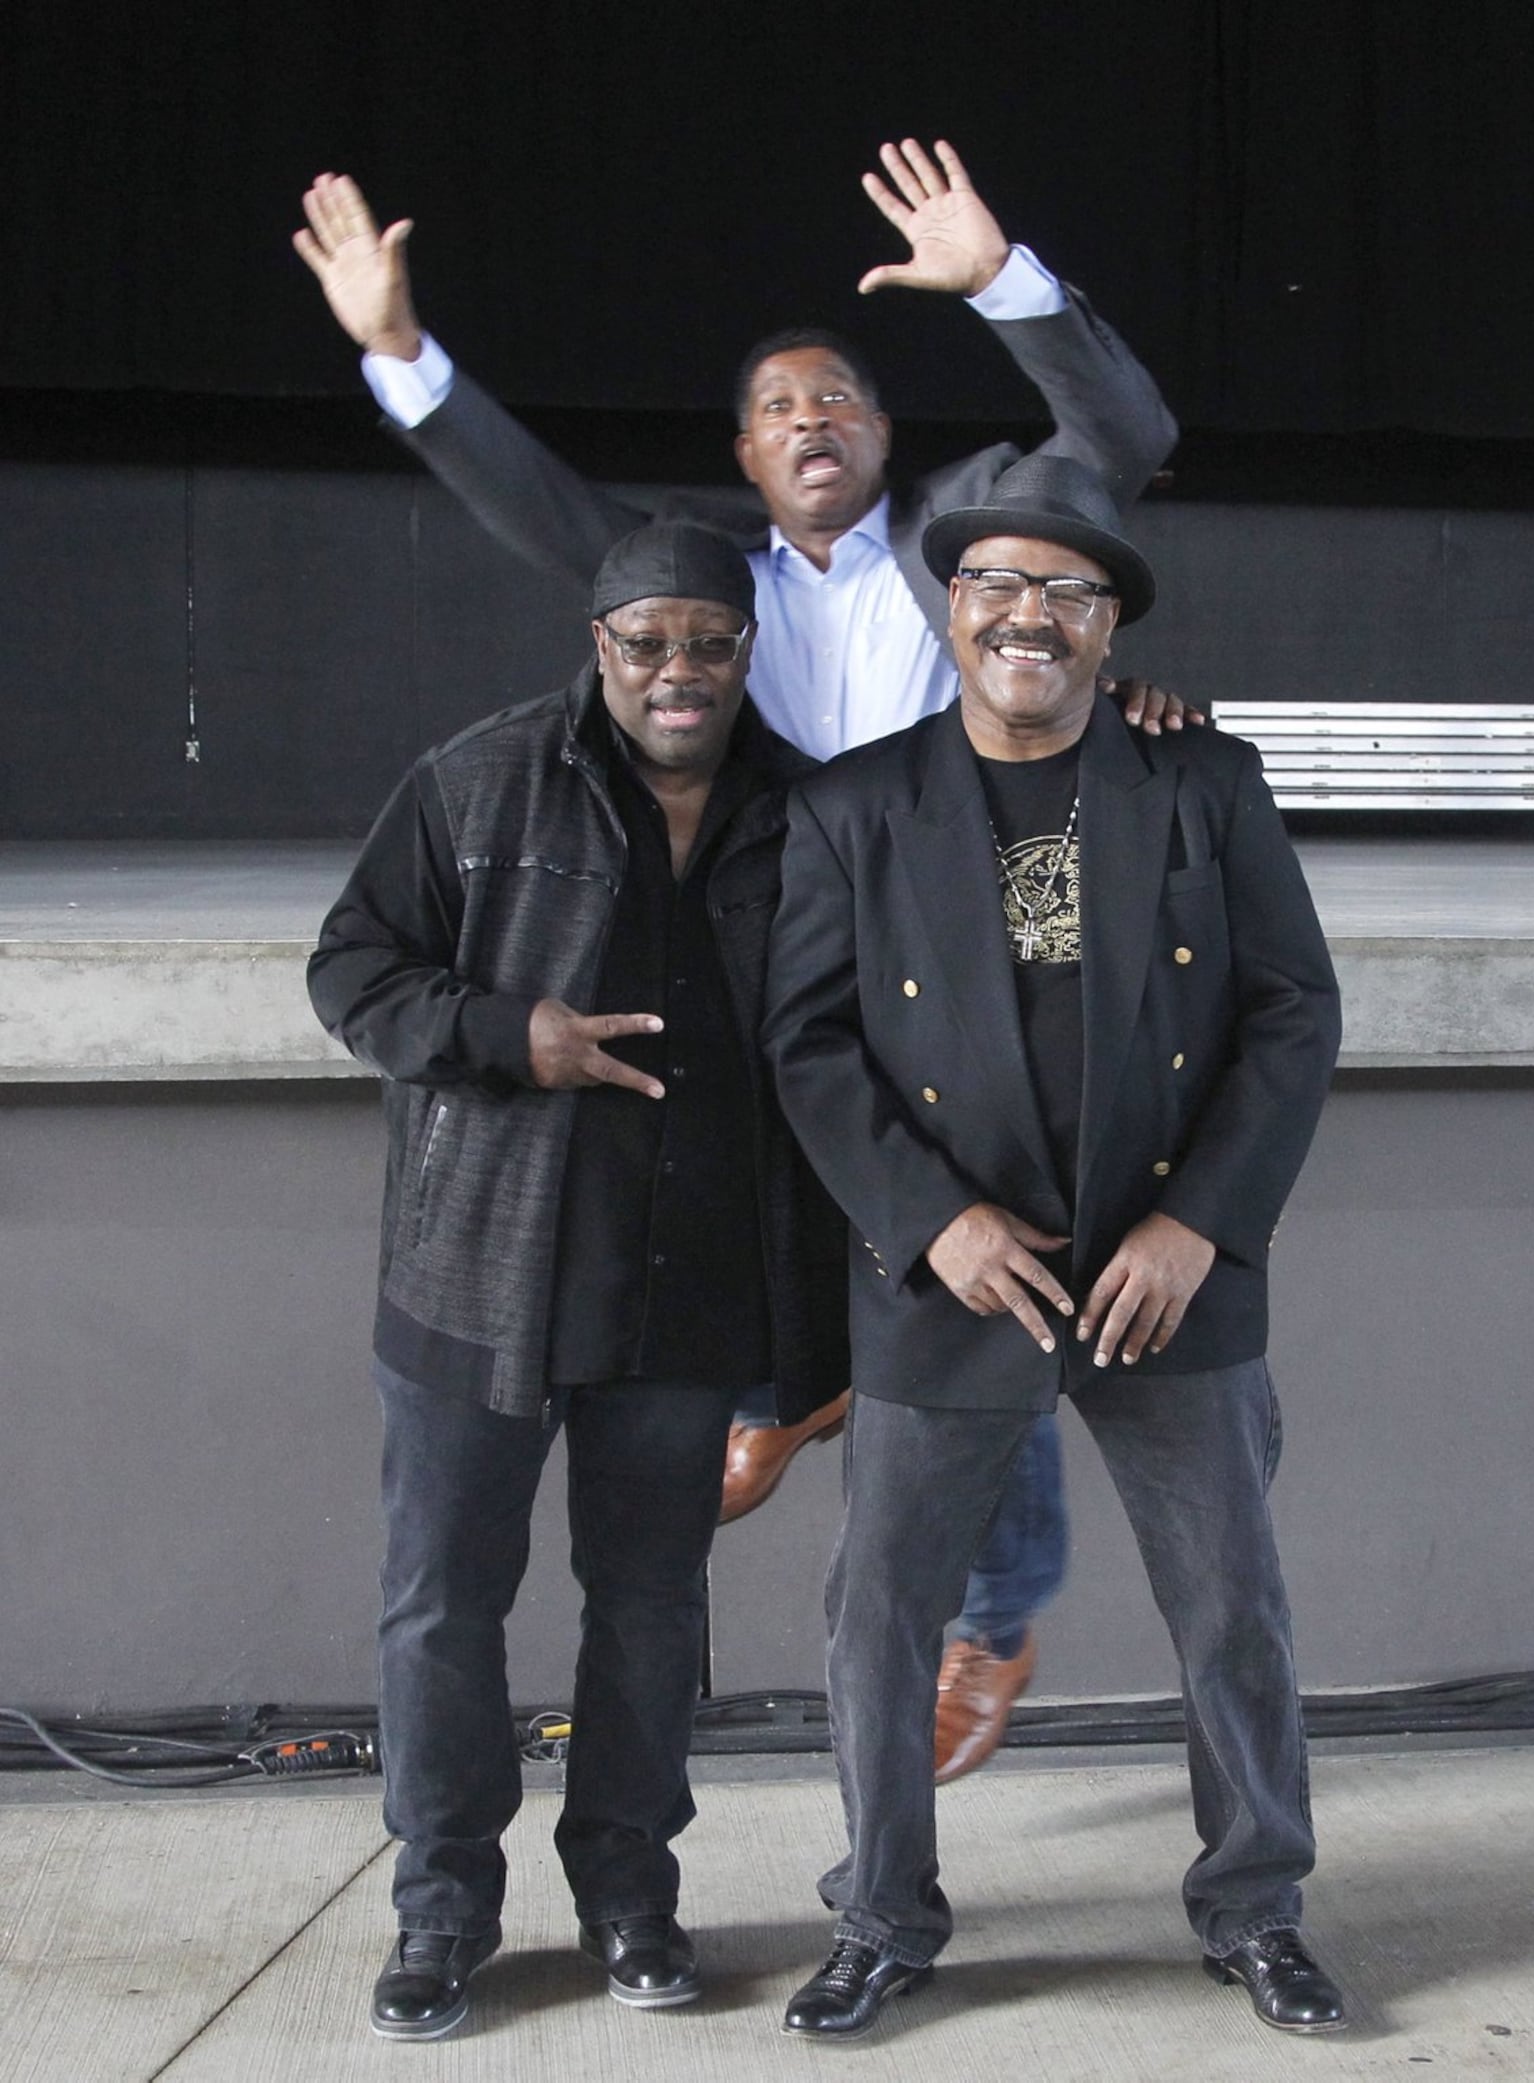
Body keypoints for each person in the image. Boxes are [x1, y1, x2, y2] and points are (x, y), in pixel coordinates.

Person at [294, 138, 1189, 1778]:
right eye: (779, 408)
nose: (811, 421)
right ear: (744, 458)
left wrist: (1002, 277)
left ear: (883, 433)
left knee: (994, 1284)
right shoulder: (702, 593)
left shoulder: (969, 542)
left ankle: (992, 1611)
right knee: (742, 1219)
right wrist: (394, 350)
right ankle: (781, 1396)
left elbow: (1125, 437)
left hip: (964, 971)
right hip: (770, 965)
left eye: (839, 397)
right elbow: (536, 504)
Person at [763, 454, 1346, 2040]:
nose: (1032, 616)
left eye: (1070, 594)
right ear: (952, 609)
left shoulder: (1203, 784)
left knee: (1232, 1607)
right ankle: (884, 1916)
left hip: (1164, 1278)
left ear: (1108, 630)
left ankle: (1255, 1908)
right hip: (959, 1278)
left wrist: (1199, 1224)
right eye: (1001, 587)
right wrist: (926, 1220)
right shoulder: (853, 807)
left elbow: (1295, 1012)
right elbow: (809, 1046)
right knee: (880, 1617)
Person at [307, 521, 849, 2041]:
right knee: (440, 1608)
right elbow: (351, 966)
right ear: (599, 644)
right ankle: (442, 1912)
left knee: (653, 1611)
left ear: (751, 650)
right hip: (479, 1272)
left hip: (684, 1292)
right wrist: (509, 1034)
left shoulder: (805, 810)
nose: (679, 673)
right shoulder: (481, 780)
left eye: (710, 644)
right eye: (645, 643)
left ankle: (628, 1893)